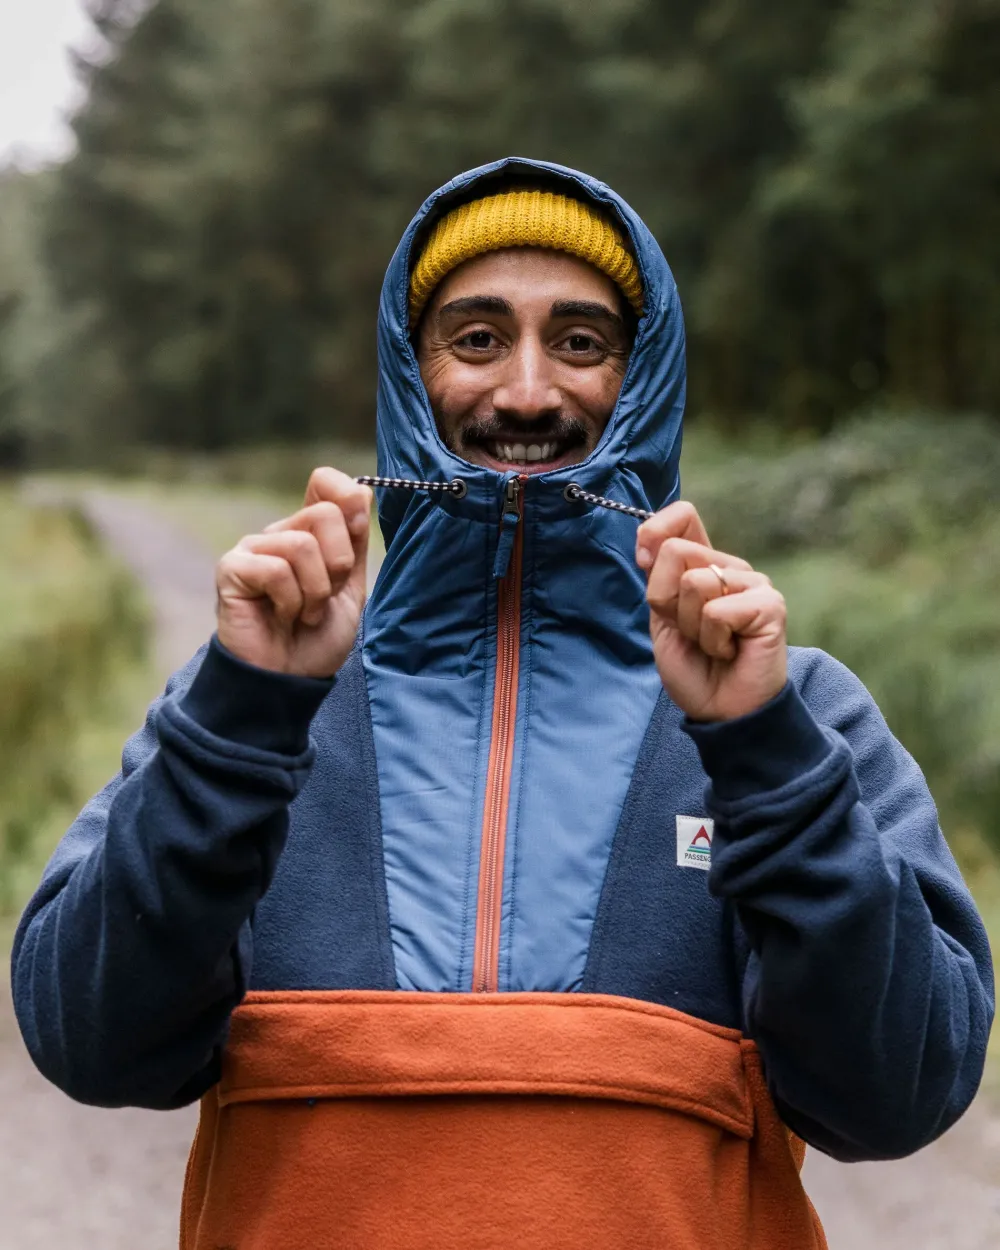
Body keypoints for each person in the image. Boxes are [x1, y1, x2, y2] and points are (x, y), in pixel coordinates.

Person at [12, 158, 994, 1249]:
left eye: (580, 342)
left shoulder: (792, 709)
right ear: (408, 372)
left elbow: (898, 1094)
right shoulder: (260, 699)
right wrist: (244, 707)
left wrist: (758, 746)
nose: (527, 392)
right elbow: (92, 1041)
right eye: (477, 339)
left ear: (644, 375)